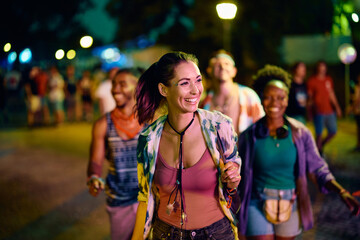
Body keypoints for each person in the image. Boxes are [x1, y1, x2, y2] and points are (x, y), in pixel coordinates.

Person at [237, 64, 360, 240]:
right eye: (269, 97)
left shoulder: (300, 133)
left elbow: (318, 168)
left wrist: (341, 191)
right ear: (261, 98)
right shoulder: (249, 136)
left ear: (288, 99)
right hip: (255, 202)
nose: (275, 103)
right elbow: (236, 172)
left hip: (291, 202)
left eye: (281, 97)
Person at [132, 52, 241, 240]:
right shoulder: (148, 140)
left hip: (216, 233)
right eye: (184, 83)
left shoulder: (220, 127)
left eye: (198, 80)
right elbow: (145, 197)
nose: (195, 90)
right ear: (164, 90)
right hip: (166, 234)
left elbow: (233, 182)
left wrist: (232, 180)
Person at [87, 68, 144, 240]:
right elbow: (95, 160)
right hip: (120, 199)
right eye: (113, 84)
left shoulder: (151, 120)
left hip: (149, 198)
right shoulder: (103, 124)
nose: (115, 89)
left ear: (138, 87)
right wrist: (94, 177)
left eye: (122, 84)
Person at [201, 49, 264, 134]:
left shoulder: (249, 96)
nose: (222, 67)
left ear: (234, 71)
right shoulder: (204, 103)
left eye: (227, 64)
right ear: (209, 70)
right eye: (217, 64)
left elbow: (262, 127)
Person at [307, 61, 342, 155]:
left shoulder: (328, 80)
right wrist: (309, 111)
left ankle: (320, 145)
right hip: (319, 111)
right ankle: (318, 153)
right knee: (319, 134)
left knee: (333, 131)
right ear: (317, 68)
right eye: (320, 67)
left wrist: (337, 107)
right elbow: (310, 98)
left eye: (324, 67)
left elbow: (331, 94)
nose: (322, 69)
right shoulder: (312, 81)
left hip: (330, 110)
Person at [352, 73, 360, 151]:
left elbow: (357, 99)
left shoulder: (358, 88)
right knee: (358, 128)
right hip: (357, 111)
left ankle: (358, 144)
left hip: (358, 110)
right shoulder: (357, 87)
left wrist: (352, 107)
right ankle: (358, 144)